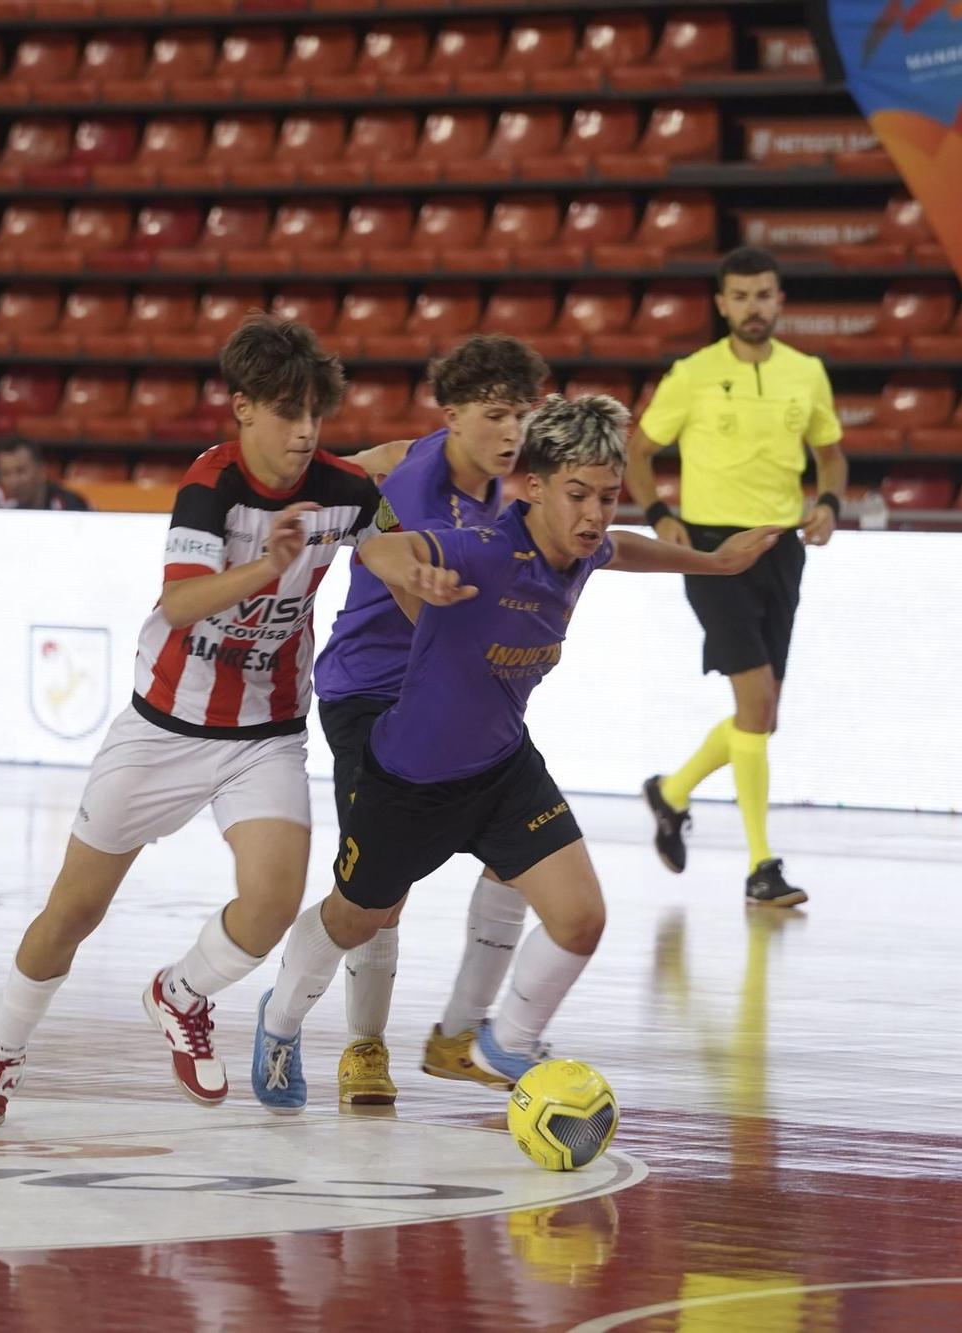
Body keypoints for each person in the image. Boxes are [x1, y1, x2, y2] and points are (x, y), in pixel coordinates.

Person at [0, 314, 465, 1129]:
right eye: (287, 413)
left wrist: (426, 592)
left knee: (270, 902)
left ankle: (180, 991)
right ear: (243, 408)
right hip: (162, 729)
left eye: (315, 416)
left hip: (264, 736)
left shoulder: (344, 491)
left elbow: (387, 550)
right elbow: (180, 601)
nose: (304, 433)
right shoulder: (211, 485)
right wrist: (268, 564)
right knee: (72, 913)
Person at [248, 394, 781, 1112]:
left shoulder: (584, 550)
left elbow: (629, 548)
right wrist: (412, 573)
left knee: (582, 918)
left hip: (501, 769)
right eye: (577, 495)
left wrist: (714, 564)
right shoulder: (487, 549)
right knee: (355, 917)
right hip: (409, 779)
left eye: (607, 495)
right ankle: (279, 1022)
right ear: (532, 486)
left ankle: (502, 1042)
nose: (595, 514)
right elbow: (381, 545)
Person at [311, 333, 549, 1106]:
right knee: (380, 894)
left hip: (455, 688)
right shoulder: (421, 483)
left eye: (522, 415)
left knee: (520, 854)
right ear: (458, 417)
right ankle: (363, 1046)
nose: (513, 432)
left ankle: (458, 1036)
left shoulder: (484, 471)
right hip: (375, 691)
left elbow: (380, 452)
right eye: (498, 415)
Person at [625, 247, 846, 909]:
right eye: (741, 295)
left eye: (765, 294)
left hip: (780, 548)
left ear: (780, 301)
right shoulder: (692, 374)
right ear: (721, 303)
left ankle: (671, 791)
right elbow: (640, 450)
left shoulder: (807, 373)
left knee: (762, 714)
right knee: (757, 705)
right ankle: (760, 865)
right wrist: (661, 514)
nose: (754, 306)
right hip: (712, 552)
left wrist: (829, 503)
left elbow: (830, 456)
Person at [0, 438, 92, 512]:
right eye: (6, 473)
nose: (14, 481)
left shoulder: (71, 505)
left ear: (41, 471)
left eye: (21, 471)